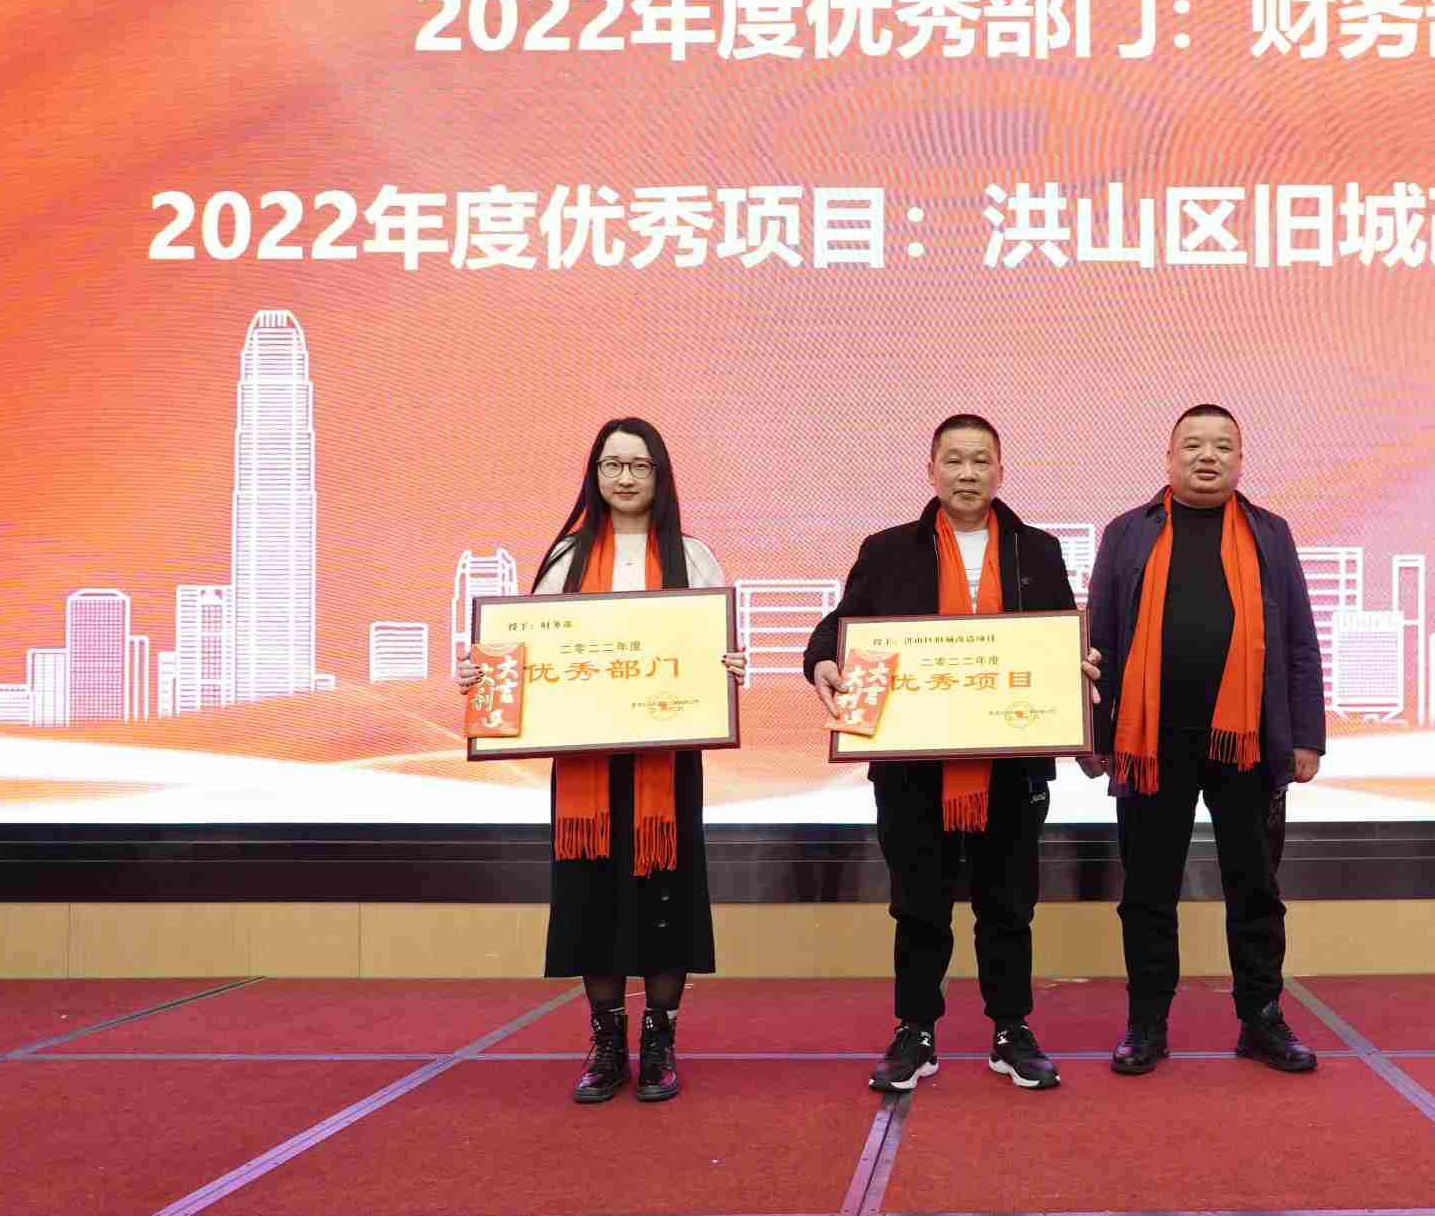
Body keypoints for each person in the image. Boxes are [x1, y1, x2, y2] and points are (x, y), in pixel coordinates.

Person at [804, 414, 1100, 1093]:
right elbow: (839, 626)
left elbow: (1061, 638)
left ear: (1001, 470)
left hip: (1012, 766)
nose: (968, 474)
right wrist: (821, 658)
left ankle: (1011, 1029)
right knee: (918, 907)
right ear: (931, 470)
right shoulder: (887, 549)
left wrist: (1077, 666)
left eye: (980, 461)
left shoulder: (1037, 550)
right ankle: (915, 1030)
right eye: (955, 460)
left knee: (1009, 906)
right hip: (913, 771)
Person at [457, 417, 745, 1105]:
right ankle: (608, 1042)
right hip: (586, 766)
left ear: (660, 475)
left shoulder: (693, 557)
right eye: (611, 464)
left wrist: (730, 666)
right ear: (594, 474)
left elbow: (715, 653)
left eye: (638, 465)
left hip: (666, 764)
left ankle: (659, 1041)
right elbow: (524, 654)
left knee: (666, 898)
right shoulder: (565, 558)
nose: (624, 477)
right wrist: (481, 674)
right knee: (593, 900)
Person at [1079, 404, 1325, 1076]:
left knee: (1255, 888)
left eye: (1222, 446)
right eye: (1192, 445)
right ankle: (1147, 1023)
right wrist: (1093, 734)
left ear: (1240, 461)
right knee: (1147, 891)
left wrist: (1306, 735)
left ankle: (1261, 1019)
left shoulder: (1270, 533)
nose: (1206, 456)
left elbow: (1299, 640)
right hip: (1148, 743)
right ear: (1169, 457)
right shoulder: (1128, 532)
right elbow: (1098, 638)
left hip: (1248, 743)